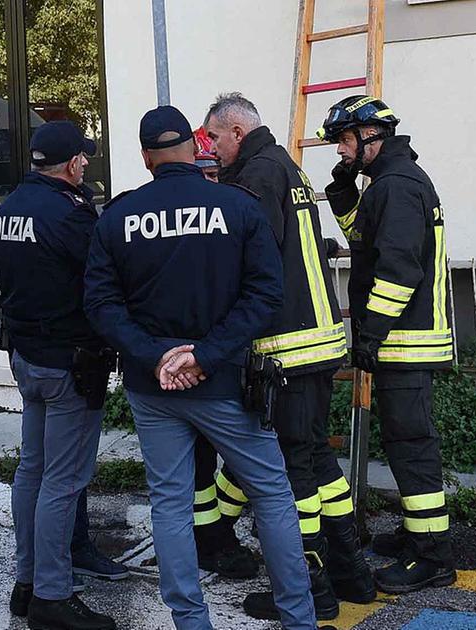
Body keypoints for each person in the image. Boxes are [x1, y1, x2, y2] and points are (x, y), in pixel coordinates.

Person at [84, 104, 317, 630]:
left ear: (146, 158)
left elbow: (101, 306)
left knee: (170, 503)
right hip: (224, 383)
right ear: (196, 148)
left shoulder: (118, 217)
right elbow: (265, 294)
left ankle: (191, 622)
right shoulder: (235, 206)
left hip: (153, 384)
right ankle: (298, 620)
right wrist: (205, 356)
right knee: (273, 493)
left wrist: (157, 357)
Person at [204, 92, 374, 621]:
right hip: (319, 340)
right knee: (319, 457)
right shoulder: (285, 165)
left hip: (286, 350)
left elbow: (245, 257)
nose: (211, 148)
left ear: (236, 131)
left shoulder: (256, 176)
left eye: (214, 138)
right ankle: (351, 574)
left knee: (293, 471)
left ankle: (308, 591)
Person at [318, 95, 455, 594]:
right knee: (405, 444)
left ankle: (432, 557)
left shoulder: (397, 186)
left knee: (412, 446)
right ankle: (419, 532)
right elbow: (366, 239)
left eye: (345, 141)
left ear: (371, 137)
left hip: (405, 340)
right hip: (402, 339)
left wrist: (369, 333)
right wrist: (343, 196)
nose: (341, 151)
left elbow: (398, 271)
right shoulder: (388, 181)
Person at [0, 120, 118, 630]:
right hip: (68, 361)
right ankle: (52, 597)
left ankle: (27, 582)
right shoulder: (69, 215)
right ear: (69, 164)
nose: (86, 163)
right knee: (62, 481)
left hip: (27, 357)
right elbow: (103, 275)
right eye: (82, 158)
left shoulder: (10, 207)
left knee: (33, 471)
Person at [186, 126, 261, 582]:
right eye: (204, 173)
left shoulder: (233, 212)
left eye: (216, 173)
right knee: (197, 461)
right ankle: (208, 541)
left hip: (225, 355)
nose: (211, 182)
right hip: (194, 363)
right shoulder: (193, 219)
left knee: (226, 451)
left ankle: (215, 531)